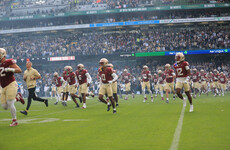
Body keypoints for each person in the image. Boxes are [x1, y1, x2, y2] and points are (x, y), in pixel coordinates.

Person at [0, 48, 22, 126]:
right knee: (5, 106)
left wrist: (10, 69)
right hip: (3, 86)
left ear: (3, 54)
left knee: (10, 103)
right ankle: (17, 98)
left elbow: (19, 70)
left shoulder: (8, 61)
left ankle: (15, 121)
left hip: (11, 84)